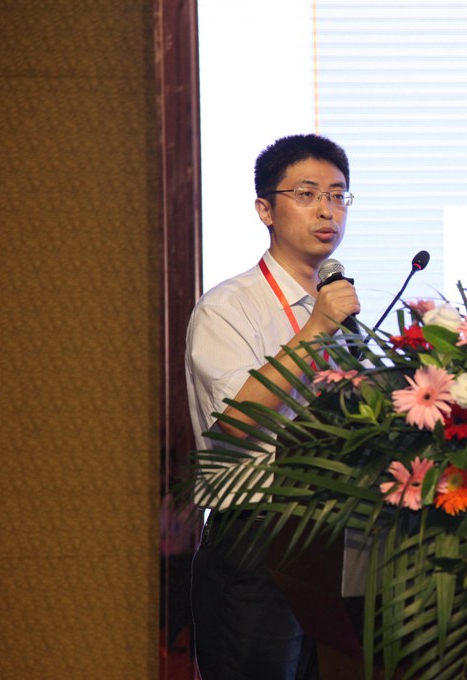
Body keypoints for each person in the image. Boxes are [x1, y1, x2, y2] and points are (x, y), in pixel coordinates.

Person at [185, 133, 361, 680]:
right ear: (265, 209)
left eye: (337, 195)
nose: (326, 210)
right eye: (307, 194)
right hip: (256, 544)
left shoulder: (342, 311)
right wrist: (316, 329)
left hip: (335, 545)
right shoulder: (228, 308)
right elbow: (235, 424)